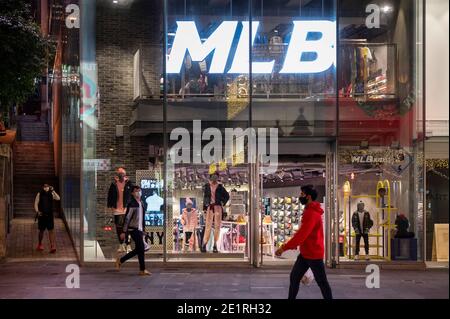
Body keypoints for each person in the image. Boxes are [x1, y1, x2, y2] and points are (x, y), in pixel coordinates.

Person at [275, 185, 333, 300]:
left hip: (314, 254)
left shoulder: (311, 214)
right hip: (306, 253)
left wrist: (283, 248)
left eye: (302, 194)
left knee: (322, 282)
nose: (300, 196)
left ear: (309, 197)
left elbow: (301, 235)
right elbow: (302, 235)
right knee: (294, 277)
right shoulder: (309, 211)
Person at [115, 185, 151, 276]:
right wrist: (123, 231)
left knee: (139, 249)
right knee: (141, 248)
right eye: (136, 191)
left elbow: (142, 219)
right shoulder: (132, 204)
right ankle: (142, 270)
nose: (138, 192)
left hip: (139, 229)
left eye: (139, 190)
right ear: (132, 193)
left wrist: (143, 230)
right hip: (133, 229)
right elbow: (127, 218)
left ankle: (121, 261)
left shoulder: (141, 203)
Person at [107, 167, 134, 253]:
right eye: (119, 173)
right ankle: (121, 245)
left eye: (122, 173)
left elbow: (132, 195)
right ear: (117, 174)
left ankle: (128, 245)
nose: (121, 174)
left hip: (127, 209)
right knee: (119, 229)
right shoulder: (114, 184)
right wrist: (111, 206)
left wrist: (132, 206)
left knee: (128, 228)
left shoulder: (129, 184)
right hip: (117, 210)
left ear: (125, 174)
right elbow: (110, 195)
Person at [201, 172, 229, 253]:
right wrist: (205, 208)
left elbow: (227, 196)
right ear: (210, 177)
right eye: (213, 177)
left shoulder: (220, 186)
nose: (214, 178)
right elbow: (205, 197)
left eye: (216, 177)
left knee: (217, 226)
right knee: (208, 226)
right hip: (210, 207)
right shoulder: (207, 186)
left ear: (217, 178)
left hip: (218, 207)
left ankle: (215, 245)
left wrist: (222, 202)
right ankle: (204, 244)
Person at [34, 184, 61, 253]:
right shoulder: (39, 194)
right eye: (45, 187)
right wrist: (37, 211)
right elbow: (36, 203)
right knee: (41, 231)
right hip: (42, 215)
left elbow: (58, 198)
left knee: (51, 230)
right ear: (43, 187)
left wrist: (53, 191)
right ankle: (40, 244)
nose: (46, 188)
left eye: (47, 186)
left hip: (49, 215)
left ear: (49, 187)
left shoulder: (52, 193)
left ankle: (52, 246)